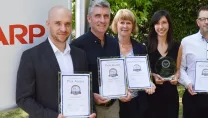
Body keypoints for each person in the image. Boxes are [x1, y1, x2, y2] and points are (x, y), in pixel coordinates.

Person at [16, 6, 96, 118]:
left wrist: (91, 111)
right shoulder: (31, 56)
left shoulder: (80, 55)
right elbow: (23, 98)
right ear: (48, 24)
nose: (63, 29)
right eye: (58, 23)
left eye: (67, 24)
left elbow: (86, 89)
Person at [71, 0, 120, 118]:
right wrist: (90, 95)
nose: (102, 20)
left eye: (106, 16)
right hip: (89, 110)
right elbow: (73, 79)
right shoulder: (77, 45)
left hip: (113, 107)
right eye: (97, 16)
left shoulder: (114, 43)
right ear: (89, 19)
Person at [111, 9, 156, 118]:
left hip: (137, 103)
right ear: (116, 24)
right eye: (122, 22)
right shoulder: (109, 47)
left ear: (133, 26)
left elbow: (145, 73)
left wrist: (150, 83)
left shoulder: (140, 48)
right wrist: (119, 91)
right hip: (115, 104)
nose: (125, 26)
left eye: (128, 23)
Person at [146, 10, 180, 118]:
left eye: (164, 22)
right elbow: (143, 72)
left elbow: (178, 69)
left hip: (171, 96)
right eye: (157, 23)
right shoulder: (145, 46)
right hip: (152, 96)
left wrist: (176, 77)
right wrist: (153, 76)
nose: (161, 27)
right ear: (153, 26)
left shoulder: (177, 46)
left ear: (169, 24)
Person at [178, 5, 208, 118]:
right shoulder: (186, 42)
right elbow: (179, 68)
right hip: (193, 97)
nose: (206, 22)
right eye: (203, 19)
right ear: (198, 22)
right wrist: (187, 83)